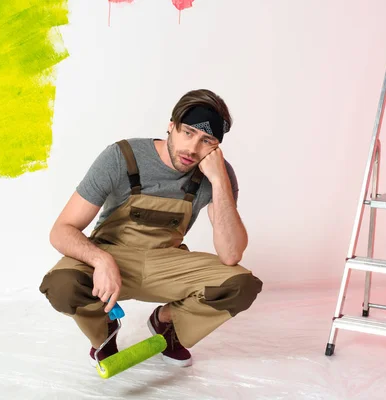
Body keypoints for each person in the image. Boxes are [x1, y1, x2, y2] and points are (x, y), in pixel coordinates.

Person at [39, 89, 263, 368]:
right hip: (112, 257)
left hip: (166, 262)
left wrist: (219, 181)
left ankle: (167, 324)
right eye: (188, 133)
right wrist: (101, 259)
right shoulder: (121, 157)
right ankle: (104, 331)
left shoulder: (217, 173)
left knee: (240, 285)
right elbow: (61, 229)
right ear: (171, 127)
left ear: (216, 147)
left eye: (207, 141)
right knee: (62, 285)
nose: (193, 149)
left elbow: (231, 255)